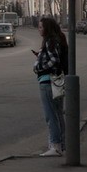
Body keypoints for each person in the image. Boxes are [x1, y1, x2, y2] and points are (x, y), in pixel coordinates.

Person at [33, 17, 67, 157]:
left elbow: (54, 60)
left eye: (41, 27)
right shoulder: (57, 39)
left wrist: (39, 67)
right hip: (56, 81)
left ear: (47, 28)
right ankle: (62, 145)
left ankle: (55, 145)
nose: (39, 29)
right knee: (58, 114)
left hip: (47, 82)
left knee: (50, 115)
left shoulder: (49, 41)